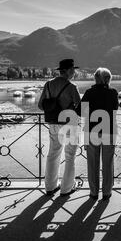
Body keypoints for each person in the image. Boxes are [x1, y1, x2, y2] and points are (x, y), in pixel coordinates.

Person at [38, 59, 81, 197]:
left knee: (53, 154)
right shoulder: (71, 87)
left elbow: (40, 105)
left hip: (53, 124)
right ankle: (66, 189)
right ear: (68, 71)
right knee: (70, 156)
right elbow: (80, 108)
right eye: (73, 70)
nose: (74, 72)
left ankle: (50, 187)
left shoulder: (48, 84)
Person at [76, 68, 118, 200]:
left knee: (92, 163)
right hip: (109, 131)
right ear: (108, 79)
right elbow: (116, 108)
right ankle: (107, 192)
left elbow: (79, 112)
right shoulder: (113, 92)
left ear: (96, 79)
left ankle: (94, 192)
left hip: (92, 130)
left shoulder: (89, 92)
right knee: (108, 162)